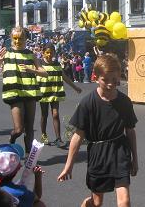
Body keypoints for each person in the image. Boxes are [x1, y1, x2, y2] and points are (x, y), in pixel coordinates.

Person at [57, 54, 138, 207]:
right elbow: (77, 136)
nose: (110, 84)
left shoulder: (124, 102)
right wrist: (68, 166)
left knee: (125, 201)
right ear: (95, 77)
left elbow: (130, 131)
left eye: (114, 80)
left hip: (120, 151)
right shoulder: (88, 103)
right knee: (96, 202)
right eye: (105, 80)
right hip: (98, 153)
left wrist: (135, 159)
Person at [0, 27, 48, 154]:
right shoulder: (6, 53)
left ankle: (29, 157)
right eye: (15, 38)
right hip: (14, 92)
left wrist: (32, 70)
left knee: (29, 127)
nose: (17, 41)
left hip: (30, 92)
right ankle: (12, 138)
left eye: (20, 38)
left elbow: (44, 73)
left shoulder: (30, 54)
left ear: (25, 39)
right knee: (19, 129)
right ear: (11, 38)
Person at [38, 44, 82, 147]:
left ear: (54, 53)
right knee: (44, 115)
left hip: (55, 92)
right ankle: (44, 136)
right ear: (43, 53)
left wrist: (75, 87)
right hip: (44, 93)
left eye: (51, 52)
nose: (49, 54)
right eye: (47, 52)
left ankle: (58, 139)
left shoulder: (57, 64)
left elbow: (65, 77)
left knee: (55, 114)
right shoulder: (39, 64)